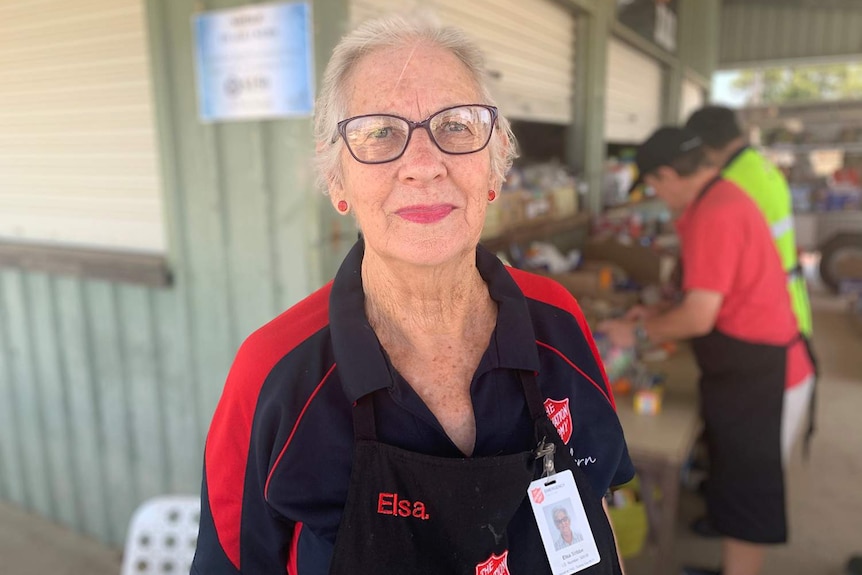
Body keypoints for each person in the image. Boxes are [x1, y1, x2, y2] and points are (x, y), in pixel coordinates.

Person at [191, 14, 633, 575]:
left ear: (495, 167)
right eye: (378, 132)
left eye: (456, 125)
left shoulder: (558, 320)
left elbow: (592, 510)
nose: (424, 166)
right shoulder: (273, 372)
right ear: (337, 182)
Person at [599, 127, 815, 575]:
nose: (656, 194)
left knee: (747, 492)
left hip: (764, 372)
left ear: (666, 174)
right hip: (745, 364)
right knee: (734, 480)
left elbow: (699, 316)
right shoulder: (717, 199)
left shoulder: (716, 211)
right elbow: (708, 289)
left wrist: (633, 336)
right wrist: (657, 310)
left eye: (654, 185)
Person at [685, 105, 817, 539]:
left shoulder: (728, 187)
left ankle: (736, 536)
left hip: (765, 324)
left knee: (753, 472)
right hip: (780, 306)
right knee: (744, 466)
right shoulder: (759, 166)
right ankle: (724, 517)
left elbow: (712, 281)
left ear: (706, 149)